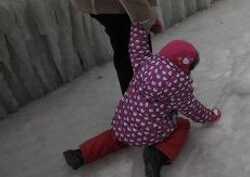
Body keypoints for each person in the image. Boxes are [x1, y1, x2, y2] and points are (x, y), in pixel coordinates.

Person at [63, 23, 221, 177]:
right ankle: (158, 154)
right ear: (186, 67)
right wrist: (211, 115)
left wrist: (141, 24)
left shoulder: (143, 63)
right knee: (183, 125)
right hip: (152, 133)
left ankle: (81, 154)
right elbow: (194, 111)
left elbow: (137, 47)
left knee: (114, 137)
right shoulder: (179, 89)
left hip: (124, 123)